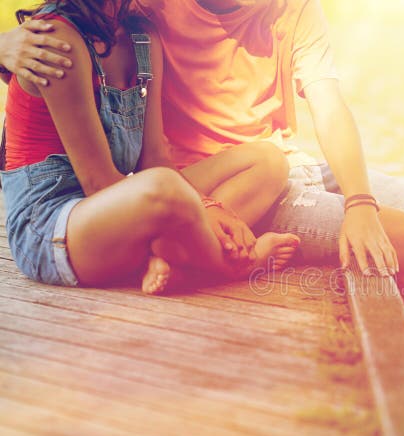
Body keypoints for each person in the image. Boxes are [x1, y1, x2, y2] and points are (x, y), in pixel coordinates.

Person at [0, 0, 404, 417]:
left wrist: (359, 201)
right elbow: (62, 47)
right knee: (403, 238)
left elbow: (329, 106)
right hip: (201, 186)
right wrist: (5, 43)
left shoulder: (276, 11)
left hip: (273, 165)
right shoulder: (150, 10)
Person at [0, 0, 300, 296]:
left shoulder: (141, 36)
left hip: (119, 206)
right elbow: (98, 182)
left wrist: (205, 204)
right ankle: (231, 266)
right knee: (165, 188)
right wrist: (203, 209)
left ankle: (174, 257)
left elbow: (155, 159)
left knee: (266, 160)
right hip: (53, 229)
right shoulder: (56, 38)